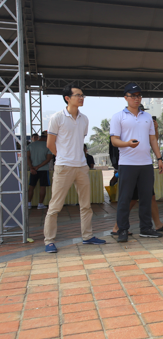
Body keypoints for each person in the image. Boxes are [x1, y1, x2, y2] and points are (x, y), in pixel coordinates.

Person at [43, 84, 106, 253]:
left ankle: (87, 236)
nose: (82, 98)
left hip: (81, 167)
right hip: (64, 167)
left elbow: (79, 141)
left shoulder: (84, 119)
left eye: (83, 95)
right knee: (55, 206)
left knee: (86, 205)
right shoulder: (57, 118)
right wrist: (63, 157)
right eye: (78, 95)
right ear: (67, 98)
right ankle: (49, 240)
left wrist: (76, 159)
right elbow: (50, 144)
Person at [110, 82, 163, 242]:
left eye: (139, 95)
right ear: (126, 97)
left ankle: (146, 228)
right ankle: (122, 230)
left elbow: (152, 138)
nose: (136, 98)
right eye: (133, 96)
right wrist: (127, 143)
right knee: (125, 198)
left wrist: (159, 158)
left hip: (146, 164)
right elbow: (114, 140)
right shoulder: (118, 117)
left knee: (146, 197)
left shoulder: (147, 117)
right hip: (127, 163)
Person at [27, 131, 53, 210]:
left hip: (33, 169)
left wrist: (32, 167)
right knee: (42, 187)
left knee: (31, 186)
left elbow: (27, 157)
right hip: (43, 169)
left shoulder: (31, 145)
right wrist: (38, 167)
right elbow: (48, 159)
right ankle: (40, 204)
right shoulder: (48, 146)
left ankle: (28, 203)